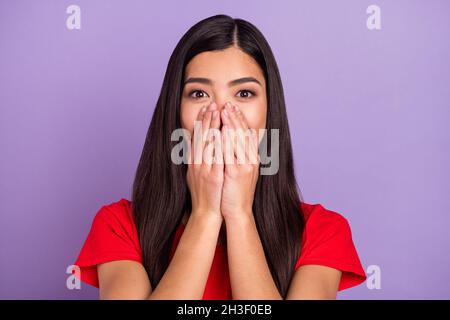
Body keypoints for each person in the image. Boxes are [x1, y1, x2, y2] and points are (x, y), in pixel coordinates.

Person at [73, 14, 366, 300]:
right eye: (199, 94)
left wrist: (239, 214)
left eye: (244, 94)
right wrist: (206, 215)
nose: (223, 114)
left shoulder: (323, 231)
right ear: (175, 113)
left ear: (269, 111)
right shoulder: (119, 225)